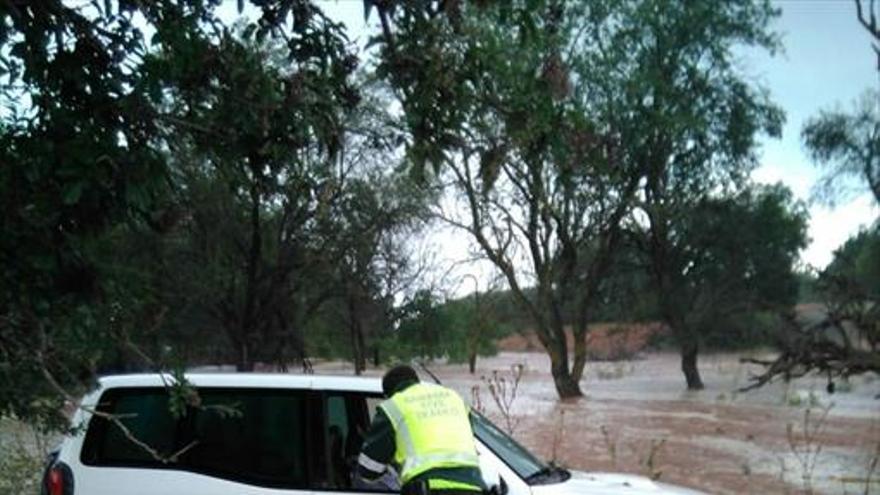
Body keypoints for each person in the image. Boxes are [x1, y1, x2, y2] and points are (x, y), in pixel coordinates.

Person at [357, 365, 488, 495]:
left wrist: (393, 464)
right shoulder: (453, 398)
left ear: (389, 394)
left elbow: (369, 469)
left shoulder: (394, 406)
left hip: (429, 488)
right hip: (473, 487)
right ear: (415, 381)